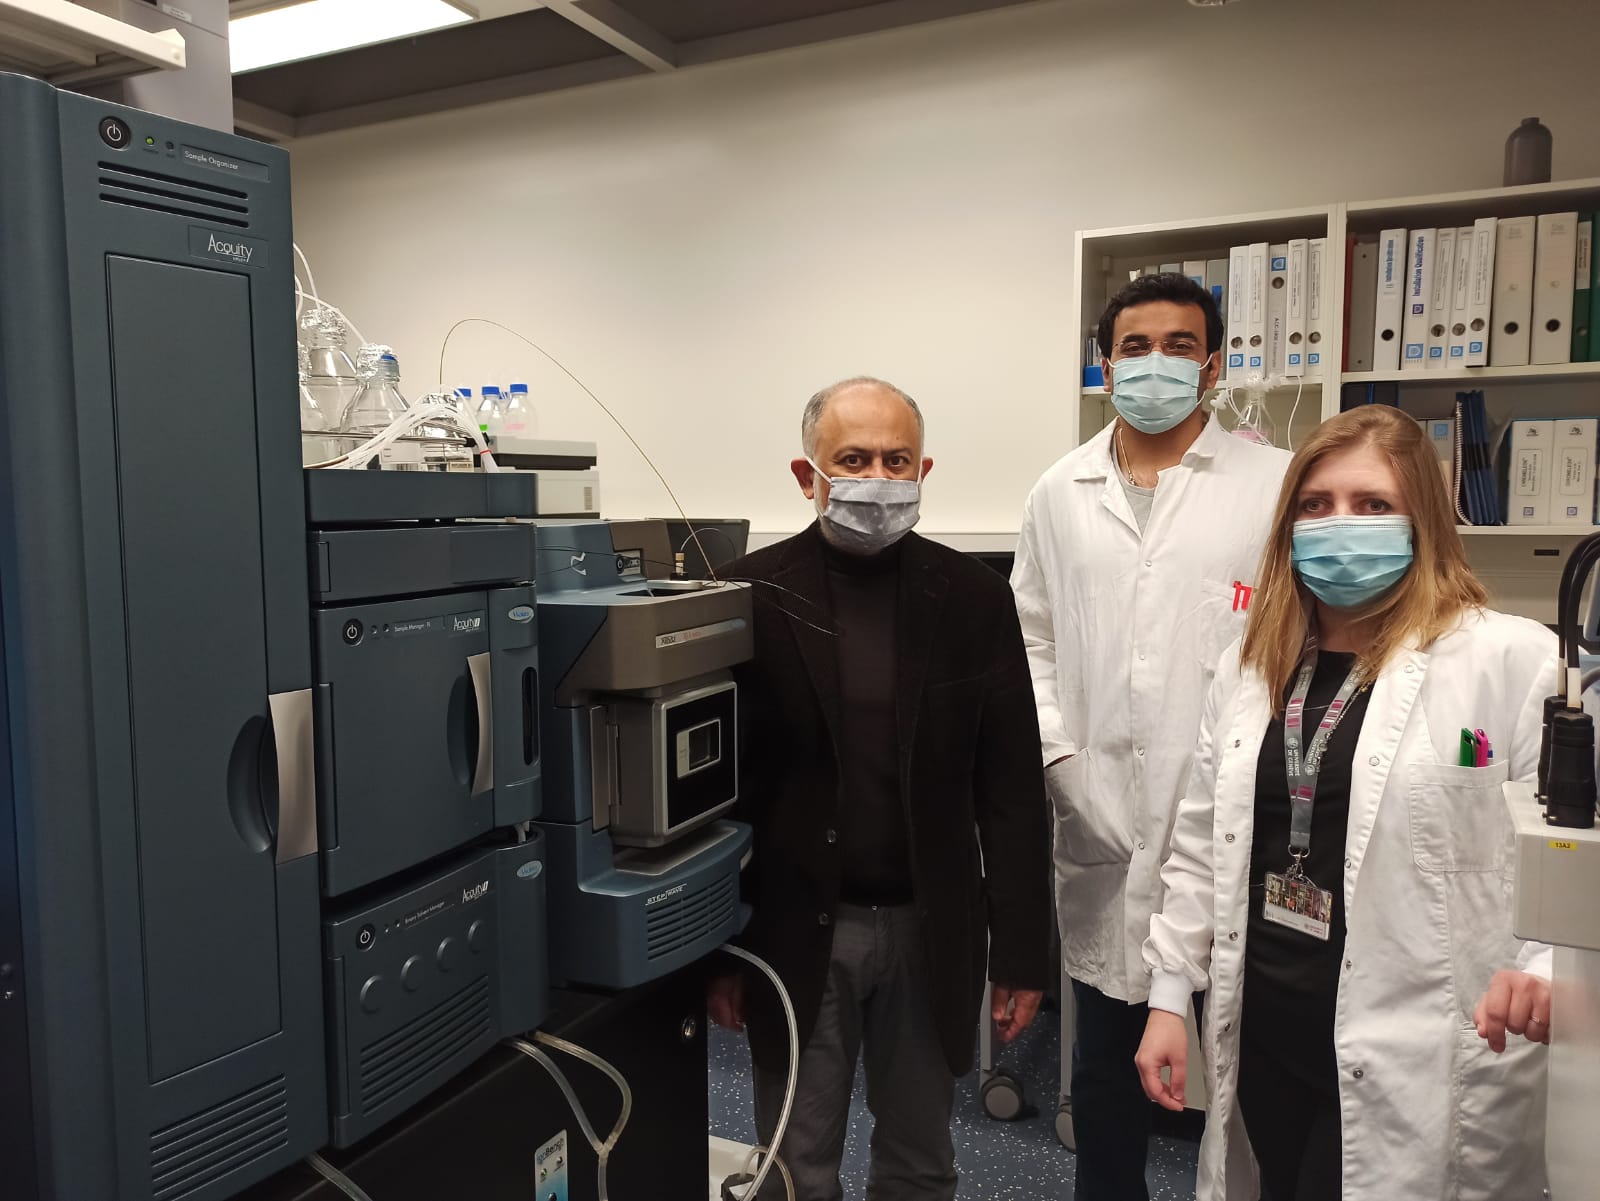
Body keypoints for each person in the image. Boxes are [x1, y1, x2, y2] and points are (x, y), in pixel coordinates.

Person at [1136, 404, 1554, 1201]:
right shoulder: (1252, 666)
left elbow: (1569, 857)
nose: (1340, 524)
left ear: (1421, 520)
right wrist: (1166, 998)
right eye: (1316, 504)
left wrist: (1544, 970)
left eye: (1372, 504)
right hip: (1268, 1028)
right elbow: (1201, 844)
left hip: (1420, 1048)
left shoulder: (1509, 660)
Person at [710, 376, 1053, 1201]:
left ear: (923, 470)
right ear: (808, 475)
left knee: (920, 1160)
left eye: (897, 460)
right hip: (793, 930)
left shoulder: (974, 598)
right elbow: (718, 798)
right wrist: (719, 951)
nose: (877, 477)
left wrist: (1021, 951)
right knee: (795, 1164)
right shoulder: (744, 594)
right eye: (854, 459)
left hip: (930, 928)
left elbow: (1009, 787)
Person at [1011, 273, 1291, 1199]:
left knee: (1258, 1084)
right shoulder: (1060, 490)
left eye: (1180, 346)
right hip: (1101, 826)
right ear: (1105, 363)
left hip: (1236, 830)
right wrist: (1060, 759)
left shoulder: (1273, 484)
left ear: (1212, 366)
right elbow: (1031, 638)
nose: (1156, 363)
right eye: (1135, 347)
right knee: (1103, 1080)